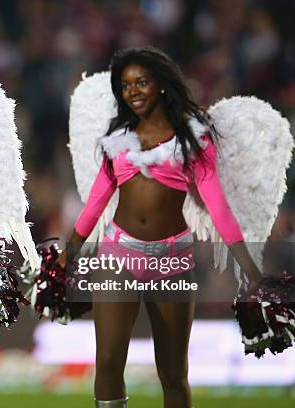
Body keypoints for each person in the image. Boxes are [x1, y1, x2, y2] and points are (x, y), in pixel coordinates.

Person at [59, 47, 262, 408]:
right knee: (107, 362)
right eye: (125, 85)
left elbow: (217, 207)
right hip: (117, 254)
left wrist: (250, 269)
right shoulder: (117, 140)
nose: (132, 91)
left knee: (172, 372)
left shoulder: (192, 140)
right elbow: (96, 203)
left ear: (162, 85)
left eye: (142, 82)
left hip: (172, 259)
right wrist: (66, 255)